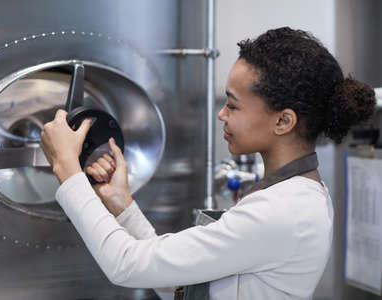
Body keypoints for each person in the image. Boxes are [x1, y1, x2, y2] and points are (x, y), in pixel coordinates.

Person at [40, 27, 376, 300]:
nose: (221, 115)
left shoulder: (284, 211)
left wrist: (67, 169)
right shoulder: (291, 195)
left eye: (233, 106)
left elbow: (126, 265)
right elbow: (177, 283)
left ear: (283, 121)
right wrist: (121, 204)